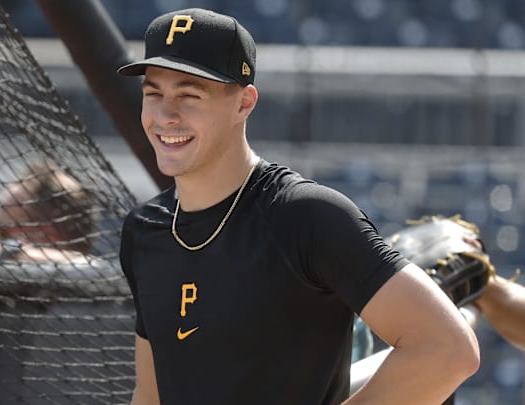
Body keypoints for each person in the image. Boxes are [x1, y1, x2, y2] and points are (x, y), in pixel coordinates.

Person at [116, 8, 479, 404]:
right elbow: (150, 394)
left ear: (243, 103)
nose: (165, 115)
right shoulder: (144, 230)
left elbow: (449, 350)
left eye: (189, 95)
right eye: (153, 93)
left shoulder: (305, 216)